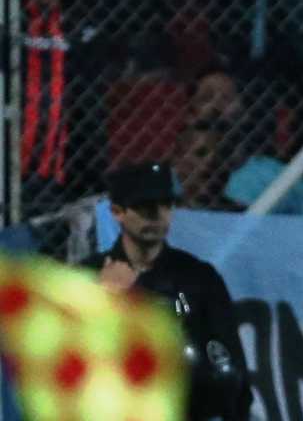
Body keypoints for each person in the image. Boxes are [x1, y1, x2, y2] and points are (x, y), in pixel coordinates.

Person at [79, 162, 252, 420]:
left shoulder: (198, 277)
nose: (157, 216)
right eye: (144, 208)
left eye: (165, 206)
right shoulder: (88, 276)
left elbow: (231, 370)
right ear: (117, 212)